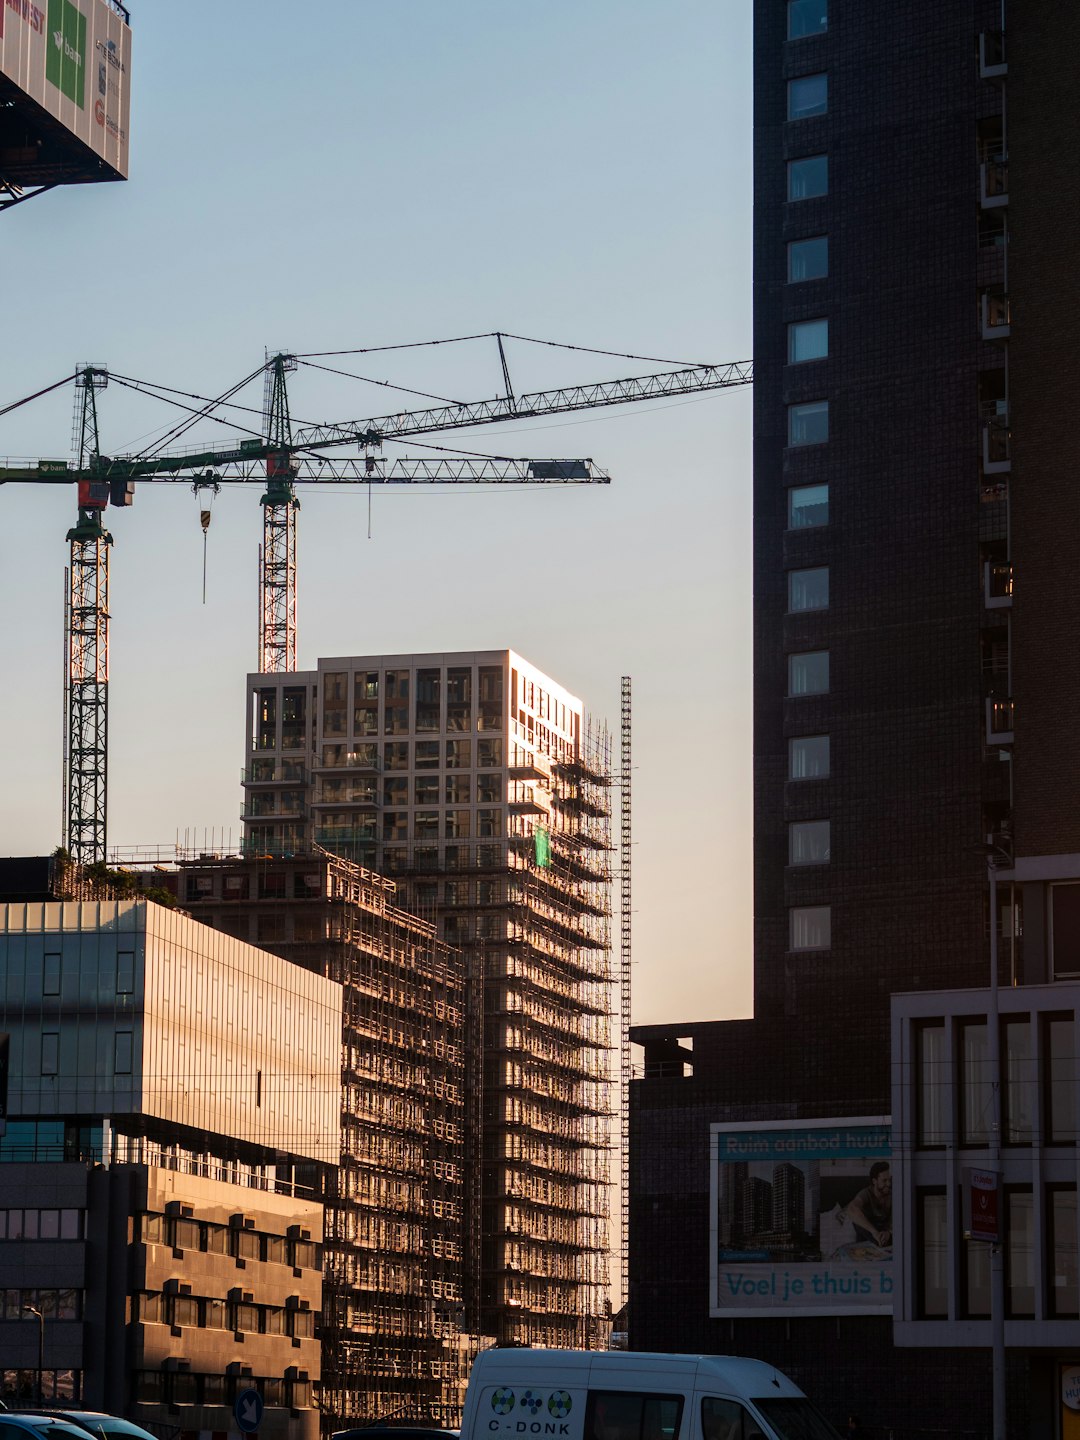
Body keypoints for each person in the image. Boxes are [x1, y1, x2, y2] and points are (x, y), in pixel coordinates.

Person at [843, 1162, 892, 1248]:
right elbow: (851, 1209)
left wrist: (888, 1233)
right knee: (858, 1221)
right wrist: (874, 1232)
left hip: (886, 1234)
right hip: (869, 1233)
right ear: (874, 1181)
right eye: (884, 1181)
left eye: (889, 1180)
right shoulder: (866, 1193)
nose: (889, 1184)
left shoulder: (893, 1195)